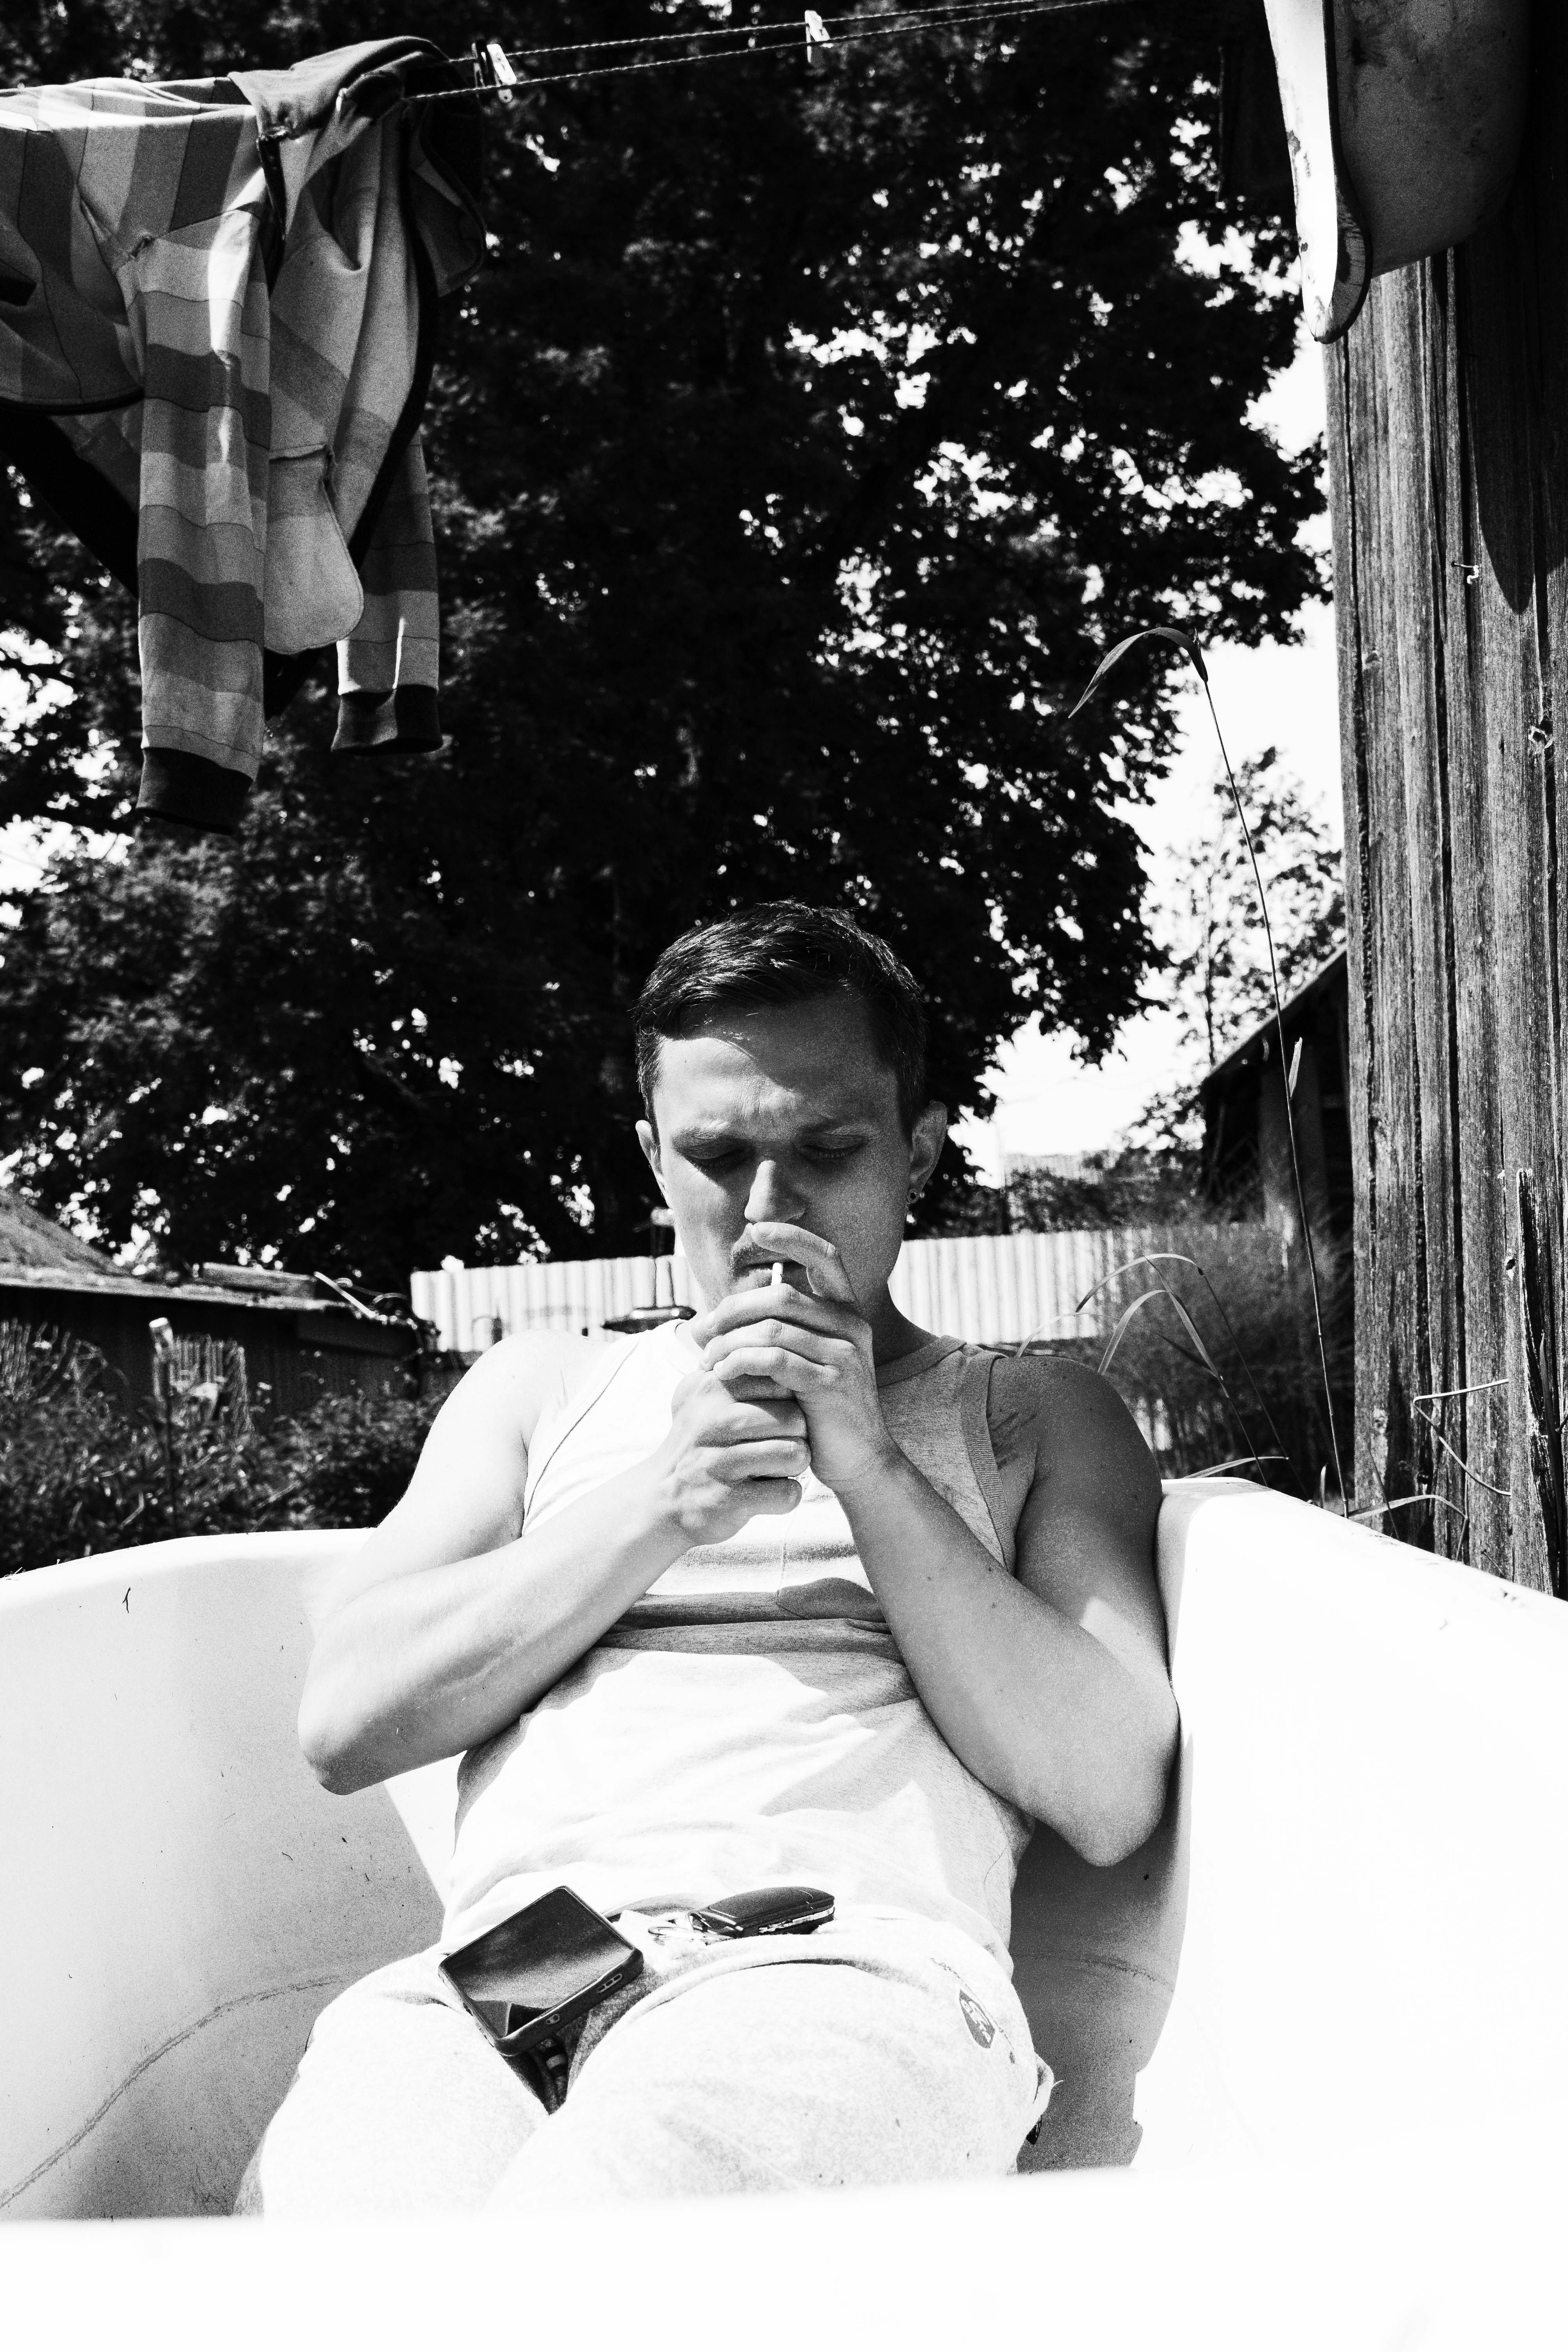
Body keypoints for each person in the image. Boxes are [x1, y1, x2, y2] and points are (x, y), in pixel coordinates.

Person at [240, 901, 1176, 2213]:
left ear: (917, 1150)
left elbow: (1110, 1791)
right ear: (653, 1157)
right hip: (526, 1966)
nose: (771, 1209)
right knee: (325, 2268)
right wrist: (659, 1506)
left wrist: (871, 1470)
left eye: (829, 1150)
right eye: (719, 1157)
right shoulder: (543, 1391)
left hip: (835, 1961)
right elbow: (344, 1722)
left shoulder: (1027, 1415)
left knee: (613, 2249)